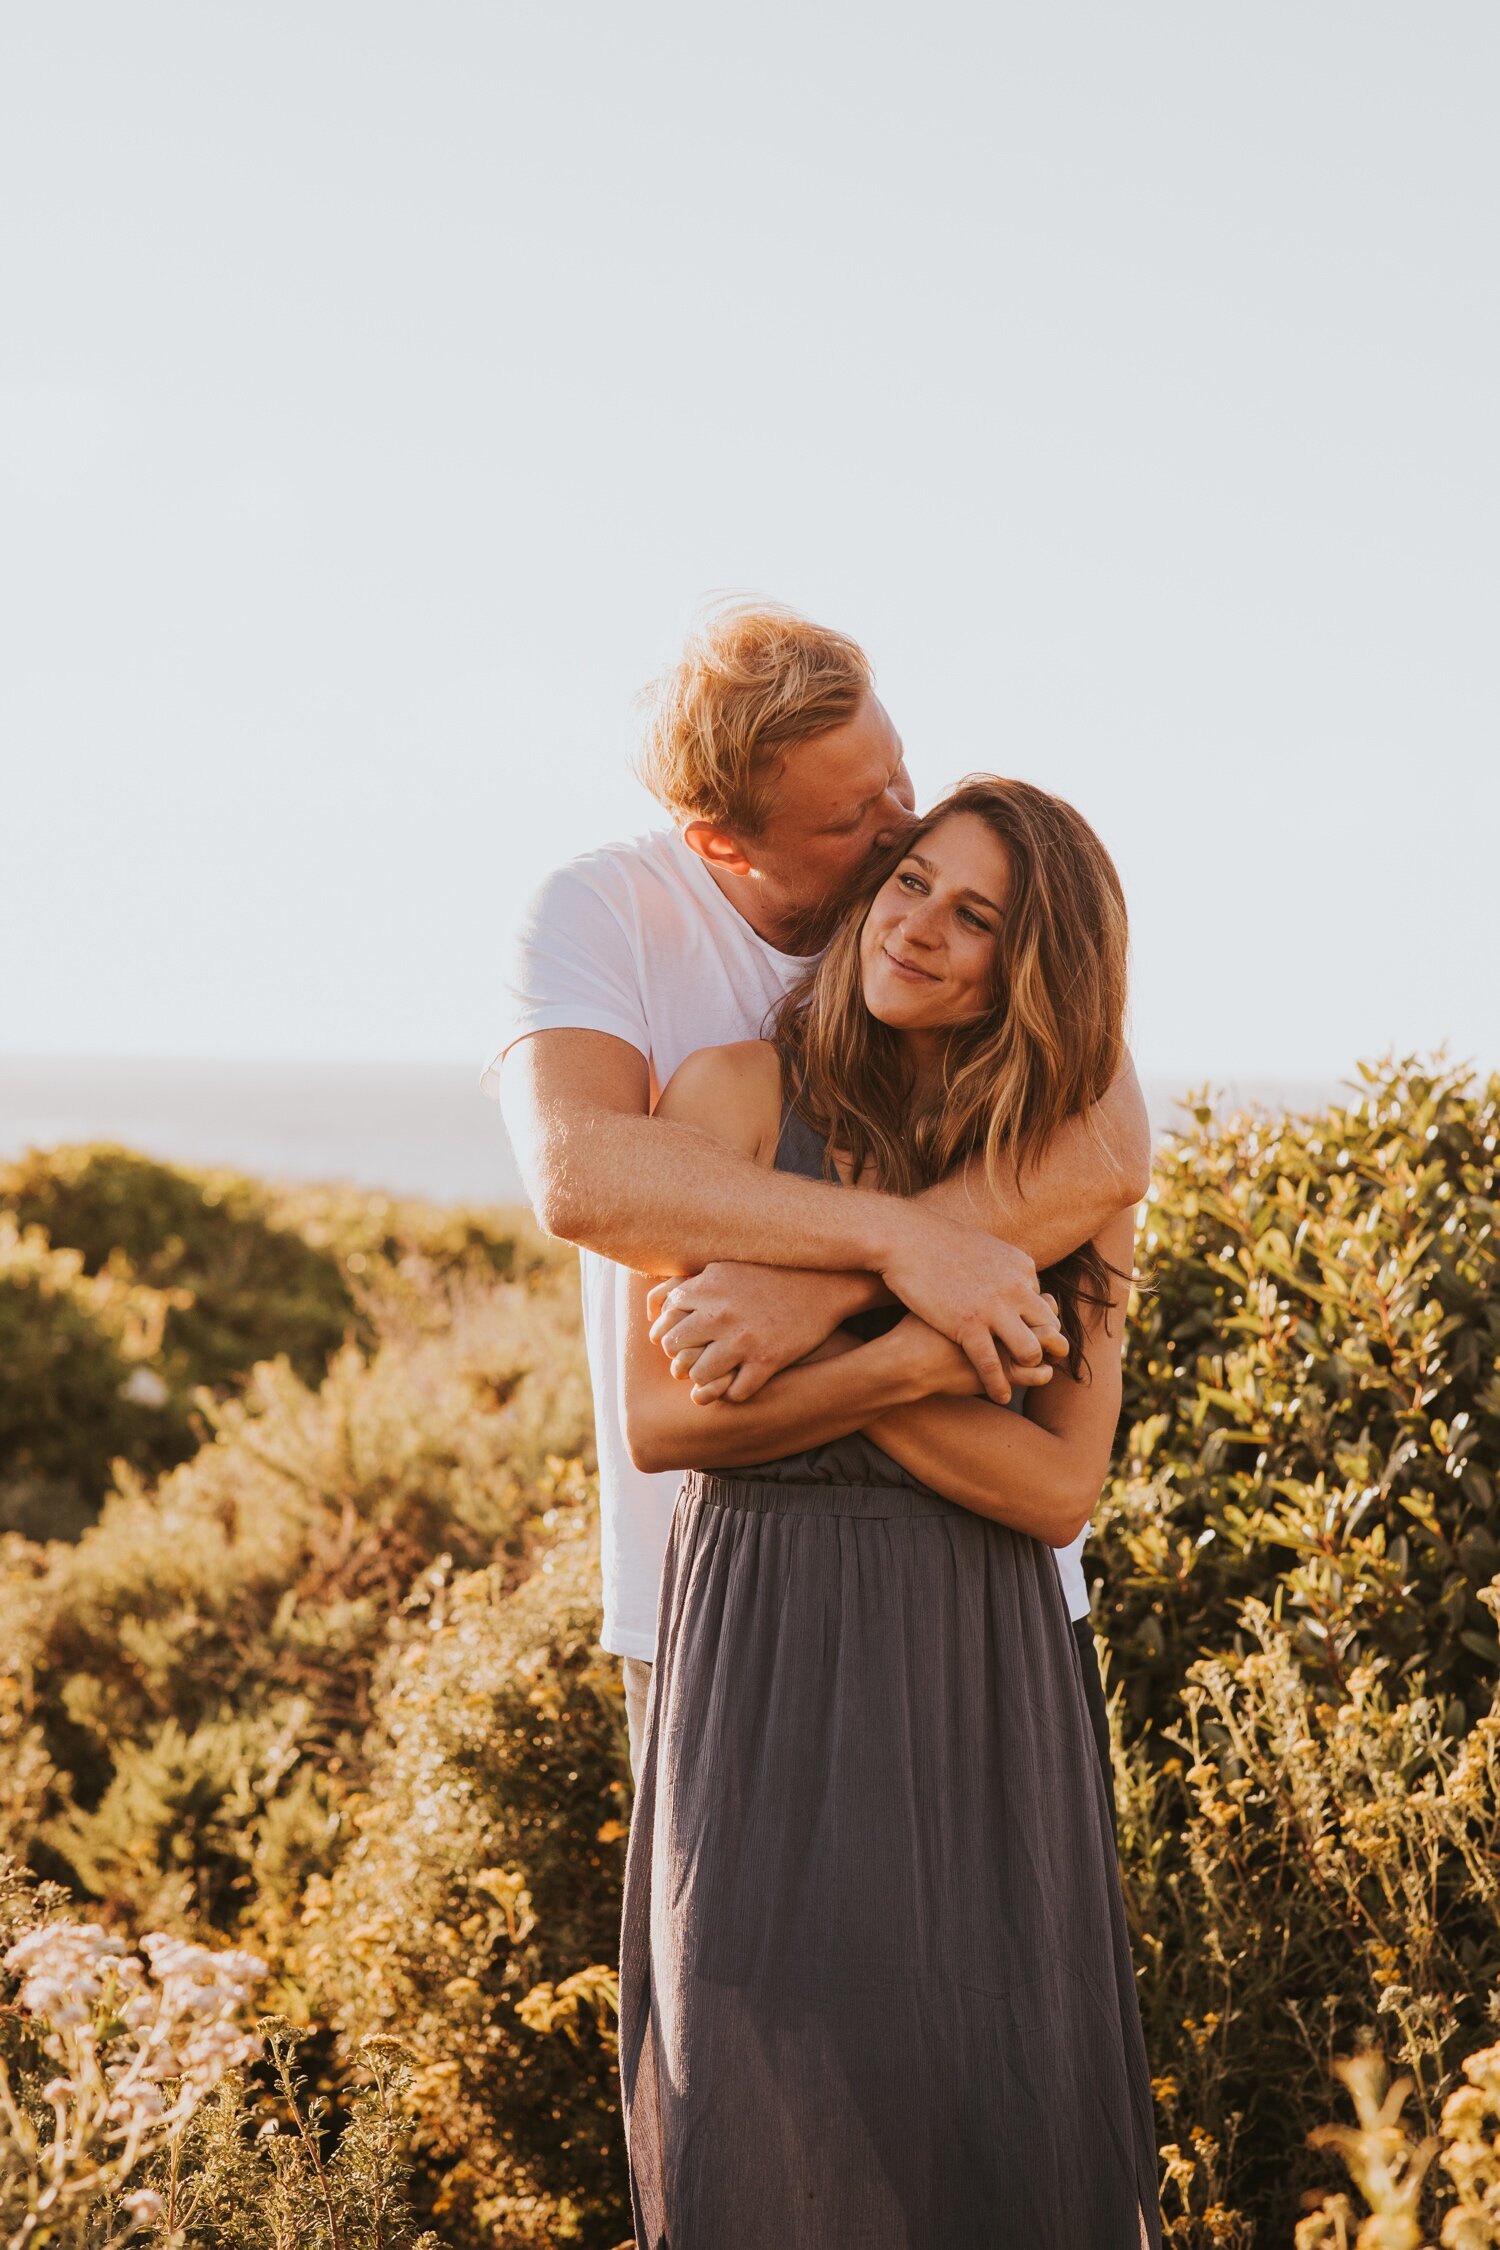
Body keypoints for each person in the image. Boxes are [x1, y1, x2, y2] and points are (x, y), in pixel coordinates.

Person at [617, 779, 1159, 2249]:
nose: (916, 926)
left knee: (997, 2099)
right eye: (913, 881)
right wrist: (931, 1340)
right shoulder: (731, 1096)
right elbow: (667, 1420)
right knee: (763, 2091)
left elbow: (1058, 1487)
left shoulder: (1073, 1160)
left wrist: (833, 1339)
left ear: (1027, 966)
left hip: (975, 1663)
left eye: (974, 915)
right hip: (762, 1651)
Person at [487, 603, 1151, 1777]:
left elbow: (1106, 1146)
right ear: (724, 844)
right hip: (719, 1578)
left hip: (982, 1579)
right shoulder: (607, 918)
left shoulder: (953, 900)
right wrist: (897, 1249)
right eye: (856, 817)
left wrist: (808, 1301)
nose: (905, 827)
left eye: (897, 772)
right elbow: (581, 1174)